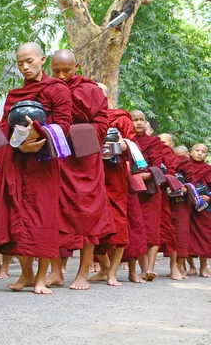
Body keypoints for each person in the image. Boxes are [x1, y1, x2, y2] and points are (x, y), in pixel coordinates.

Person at [0, 42, 72, 295]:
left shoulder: (57, 89)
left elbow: (64, 125)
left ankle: (40, 278)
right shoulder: (14, 95)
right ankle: (26, 275)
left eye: (29, 61)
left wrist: (38, 142)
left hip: (44, 163)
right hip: (18, 161)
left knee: (42, 218)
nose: (25, 67)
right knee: (18, 216)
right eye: (20, 63)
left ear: (42, 59)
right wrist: (19, 145)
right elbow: (5, 128)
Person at [47, 50, 111, 291]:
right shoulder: (47, 89)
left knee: (88, 216)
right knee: (52, 213)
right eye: (56, 71)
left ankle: (83, 273)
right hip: (55, 158)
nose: (62, 76)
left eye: (67, 70)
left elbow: (102, 123)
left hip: (84, 160)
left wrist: (70, 132)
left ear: (77, 66)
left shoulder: (90, 90)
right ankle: (55, 272)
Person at [89, 83, 130, 286]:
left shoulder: (120, 118)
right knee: (93, 221)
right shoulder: (86, 117)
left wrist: (120, 144)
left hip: (114, 176)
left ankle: (113, 272)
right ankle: (104, 267)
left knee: (118, 221)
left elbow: (131, 145)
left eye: (100, 93)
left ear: (107, 96)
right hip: (91, 174)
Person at [131, 110, 167, 281]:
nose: (138, 123)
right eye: (135, 120)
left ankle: (151, 268)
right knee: (138, 229)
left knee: (152, 230)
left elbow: (157, 164)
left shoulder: (154, 141)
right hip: (132, 190)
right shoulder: (127, 141)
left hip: (150, 191)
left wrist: (146, 175)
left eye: (141, 120)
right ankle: (143, 268)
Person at [159, 134, 189, 280]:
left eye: (164, 142)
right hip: (162, 199)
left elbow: (192, 181)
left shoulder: (182, 161)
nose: (161, 145)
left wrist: (185, 188)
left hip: (179, 202)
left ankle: (179, 264)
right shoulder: (155, 155)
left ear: (171, 143)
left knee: (180, 233)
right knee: (165, 233)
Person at [188, 144, 211, 278]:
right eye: (197, 151)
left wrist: (209, 197)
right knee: (186, 237)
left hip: (204, 209)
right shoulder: (186, 167)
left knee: (205, 237)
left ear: (206, 156)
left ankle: (203, 268)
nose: (199, 153)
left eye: (203, 152)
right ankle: (191, 266)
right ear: (190, 153)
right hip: (188, 207)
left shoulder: (208, 170)